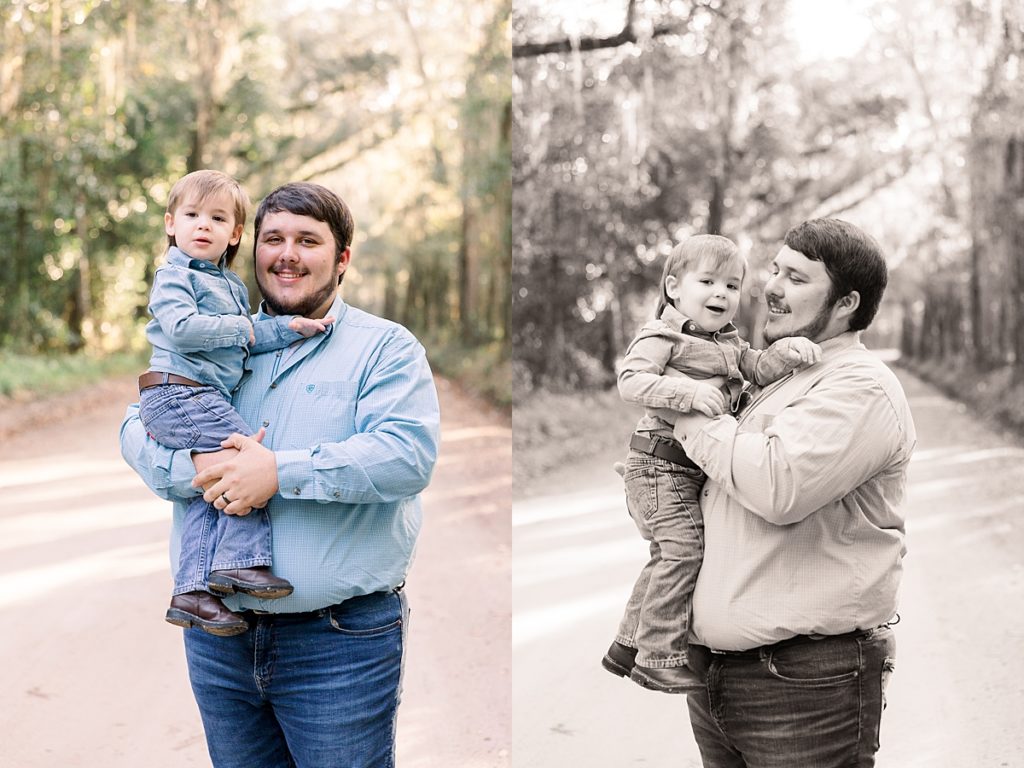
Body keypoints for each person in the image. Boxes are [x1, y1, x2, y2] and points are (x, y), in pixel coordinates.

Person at [120, 181, 441, 768]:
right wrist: (196, 467)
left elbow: (406, 455)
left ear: (341, 258)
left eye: (307, 240)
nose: (287, 253)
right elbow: (136, 426)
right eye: (274, 239)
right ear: (252, 248)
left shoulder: (385, 348)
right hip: (219, 642)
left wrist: (279, 472)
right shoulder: (221, 339)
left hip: (339, 644)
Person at [670, 218, 916, 767]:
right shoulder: (780, 379)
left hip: (806, 687)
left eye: (797, 278)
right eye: (775, 270)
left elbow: (777, 486)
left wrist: (682, 407)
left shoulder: (860, 386)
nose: (772, 287)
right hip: (718, 678)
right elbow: (729, 492)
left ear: (847, 302)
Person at [602, 234, 821, 694]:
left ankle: (627, 644)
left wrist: (786, 353)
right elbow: (630, 380)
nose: (721, 293)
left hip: (683, 470)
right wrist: (689, 393)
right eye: (708, 281)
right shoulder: (663, 335)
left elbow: (757, 369)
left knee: (668, 553)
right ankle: (657, 656)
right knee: (684, 551)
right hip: (659, 465)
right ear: (674, 288)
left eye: (732, 285)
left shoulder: (730, 343)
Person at [139, 169, 334, 636]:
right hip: (177, 390)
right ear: (171, 223)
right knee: (249, 459)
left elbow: (248, 336)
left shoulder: (227, 285)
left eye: (217, 217)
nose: (202, 225)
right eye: (191, 215)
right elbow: (183, 328)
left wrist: (289, 329)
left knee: (216, 484)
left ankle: (192, 592)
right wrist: (243, 328)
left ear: (235, 233)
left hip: (194, 394)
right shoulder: (174, 276)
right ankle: (240, 562)